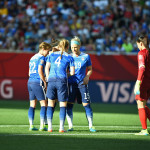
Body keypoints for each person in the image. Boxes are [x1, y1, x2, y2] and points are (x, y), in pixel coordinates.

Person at [66, 36, 96, 132]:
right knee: (69, 105)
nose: (74, 49)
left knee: (86, 104)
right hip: (71, 84)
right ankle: (70, 126)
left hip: (82, 84)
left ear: (79, 46)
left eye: (75, 47)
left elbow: (90, 69)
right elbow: (65, 70)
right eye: (72, 47)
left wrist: (87, 77)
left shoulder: (86, 56)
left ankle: (91, 126)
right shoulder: (68, 57)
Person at [45, 39, 75, 132]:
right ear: (67, 47)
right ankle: (61, 128)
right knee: (63, 105)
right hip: (62, 81)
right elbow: (72, 72)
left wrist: (47, 77)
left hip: (51, 79)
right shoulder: (70, 57)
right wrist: (66, 75)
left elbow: (47, 67)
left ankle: (50, 127)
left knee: (50, 104)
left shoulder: (52, 55)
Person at [28, 42, 51, 131]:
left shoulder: (32, 58)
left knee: (32, 104)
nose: (48, 53)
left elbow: (29, 72)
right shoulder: (41, 58)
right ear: (43, 49)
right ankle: (42, 125)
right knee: (44, 104)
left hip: (30, 81)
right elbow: (40, 70)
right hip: (38, 82)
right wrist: (44, 81)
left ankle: (31, 125)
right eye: (47, 51)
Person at [134, 34, 150, 135]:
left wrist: (138, 82)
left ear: (140, 43)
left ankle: (144, 130)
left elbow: (142, 68)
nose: (138, 47)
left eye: (138, 45)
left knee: (140, 104)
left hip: (143, 82)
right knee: (143, 105)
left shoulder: (141, 53)